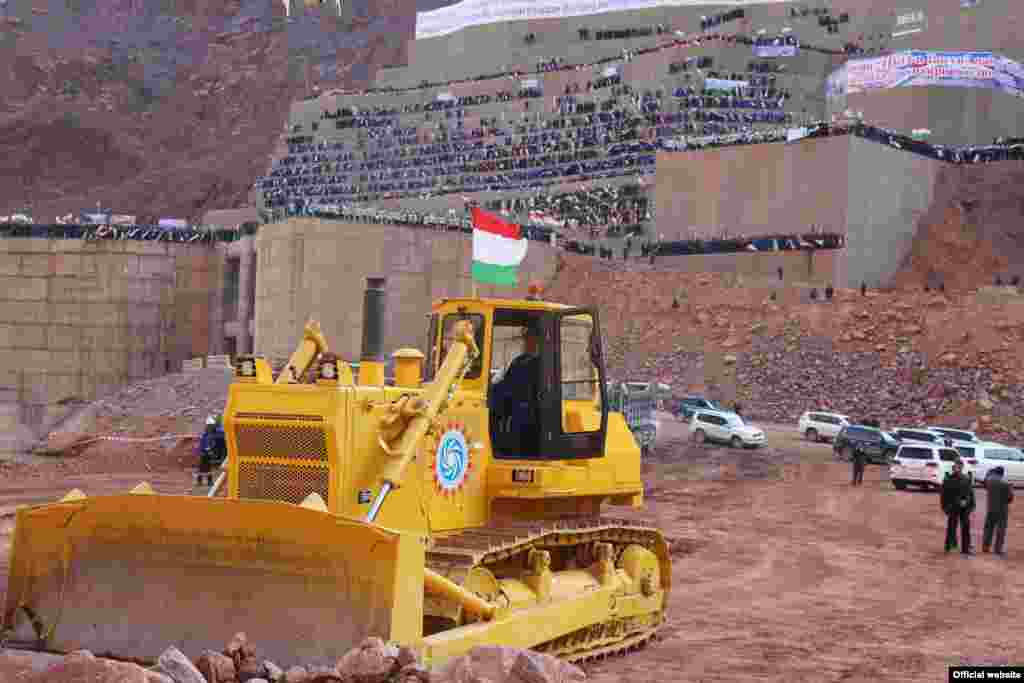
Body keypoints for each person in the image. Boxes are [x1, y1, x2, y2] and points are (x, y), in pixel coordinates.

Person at [489, 321, 542, 455]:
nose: (526, 341)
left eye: (529, 337)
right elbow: (506, 384)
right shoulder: (520, 361)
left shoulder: (537, 364)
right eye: (525, 337)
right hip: (517, 410)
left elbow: (510, 387)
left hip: (530, 416)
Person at [941, 460, 975, 555]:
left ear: (962, 467)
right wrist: (945, 507)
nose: (958, 469)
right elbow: (944, 495)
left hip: (964, 507)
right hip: (952, 507)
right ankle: (948, 546)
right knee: (951, 527)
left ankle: (965, 548)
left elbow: (970, 493)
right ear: (953, 468)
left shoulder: (966, 478)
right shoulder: (948, 479)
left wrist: (970, 504)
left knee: (965, 527)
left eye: (959, 467)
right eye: (956, 467)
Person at [982, 466, 1014, 556]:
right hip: (1002, 509)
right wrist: (1011, 489)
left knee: (988, 527)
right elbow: (1010, 499)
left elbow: (985, 483)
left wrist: (989, 473)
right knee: (1001, 529)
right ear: (1002, 473)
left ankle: (985, 546)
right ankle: (998, 549)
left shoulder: (989, 481)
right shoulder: (1006, 484)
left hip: (991, 508)